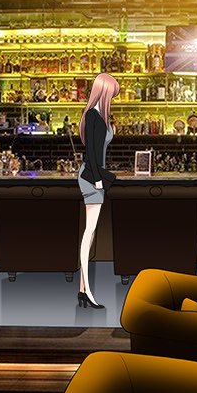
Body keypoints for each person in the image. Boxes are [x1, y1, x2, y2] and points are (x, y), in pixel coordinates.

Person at [77, 72, 120, 309]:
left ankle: (82, 290)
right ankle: (87, 292)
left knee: (90, 233)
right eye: (111, 94)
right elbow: (92, 154)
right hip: (92, 177)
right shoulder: (94, 116)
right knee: (89, 233)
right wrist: (98, 180)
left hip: (95, 175)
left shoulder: (98, 115)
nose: (112, 98)